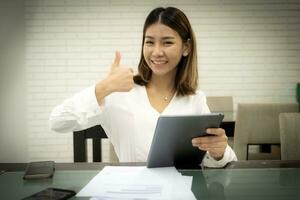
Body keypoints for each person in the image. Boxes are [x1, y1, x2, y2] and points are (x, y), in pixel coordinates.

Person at [49, 7, 237, 167]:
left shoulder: (195, 100)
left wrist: (219, 153)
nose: (156, 52)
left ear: (186, 47)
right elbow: (58, 121)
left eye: (167, 42)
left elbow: (219, 162)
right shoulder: (119, 93)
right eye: (149, 42)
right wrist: (104, 87)